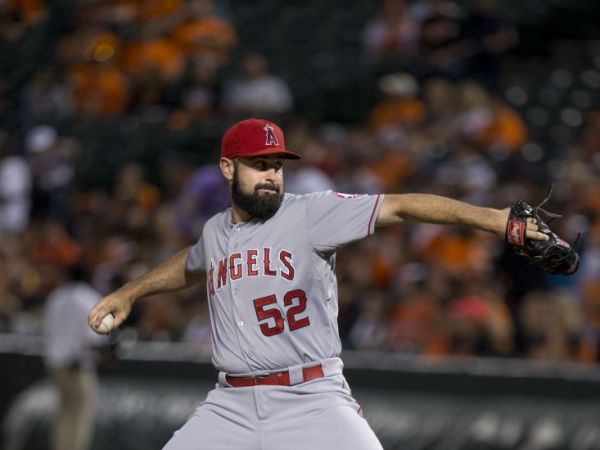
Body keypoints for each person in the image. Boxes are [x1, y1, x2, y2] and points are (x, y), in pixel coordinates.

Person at [88, 118, 548, 449]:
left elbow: (402, 206)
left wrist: (495, 219)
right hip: (229, 404)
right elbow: (191, 263)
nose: (271, 174)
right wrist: (130, 292)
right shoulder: (215, 231)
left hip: (310, 399)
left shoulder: (310, 212)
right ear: (228, 168)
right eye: (258, 164)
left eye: (277, 164)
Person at [44, 264, 110, 450]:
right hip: (77, 365)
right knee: (80, 417)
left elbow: (48, 329)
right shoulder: (88, 298)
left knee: (64, 414)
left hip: (56, 364)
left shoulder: (56, 297)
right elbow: (95, 337)